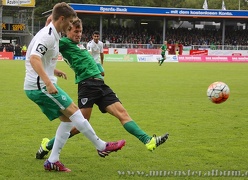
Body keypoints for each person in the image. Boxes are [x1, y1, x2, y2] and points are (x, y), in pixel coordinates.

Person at [36, 17, 169, 160]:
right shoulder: (63, 43)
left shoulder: (80, 45)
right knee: (82, 124)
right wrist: (50, 22)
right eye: (75, 31)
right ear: (67, 31)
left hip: (100, 84)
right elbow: (47, 40)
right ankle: (48, 145)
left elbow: (89, 59)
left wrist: (99, 68)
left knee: (122, 113)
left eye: (80, 31)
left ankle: (148, 140)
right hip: (87, 85)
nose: (79, 34)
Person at [24, 2, 125, 172]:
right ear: (61, 19)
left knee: (67, 119)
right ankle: (101, 145)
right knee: (75, 112)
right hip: (39, 86)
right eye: (69, 22)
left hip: (41, 83)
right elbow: (34, 58)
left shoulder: (53, 32)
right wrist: (48, 82)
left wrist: (53, 70)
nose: (71, 25)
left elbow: (39, 56)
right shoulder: (48, 36)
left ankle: (52, 160)